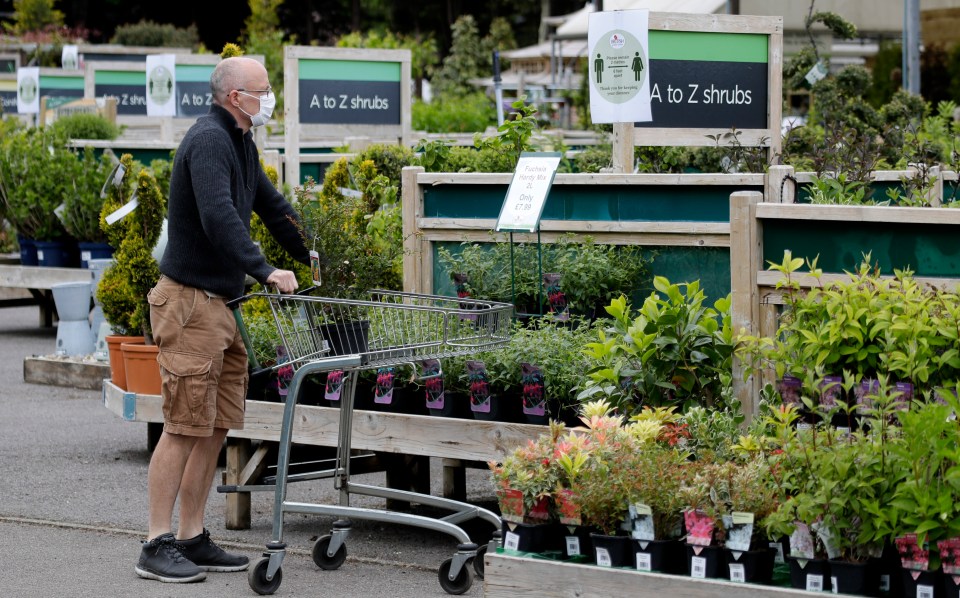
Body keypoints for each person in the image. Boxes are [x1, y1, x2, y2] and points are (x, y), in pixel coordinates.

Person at [135, 56, 309, 583]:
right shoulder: (209, 140)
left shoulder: (241, 142)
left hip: (221, 306)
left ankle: (190, 536)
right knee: (183, 425)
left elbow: (271, 207)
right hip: (190, 304)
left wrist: (313, 255)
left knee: (214, 424)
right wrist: (265, 271)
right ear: (236, 96)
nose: (270, 97)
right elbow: (219, 218)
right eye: (263, 89)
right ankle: (155, 543)